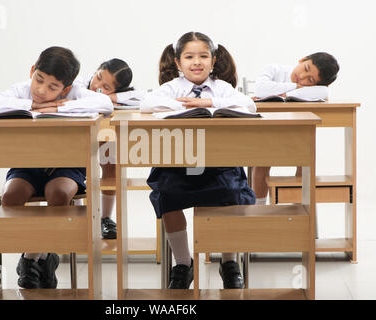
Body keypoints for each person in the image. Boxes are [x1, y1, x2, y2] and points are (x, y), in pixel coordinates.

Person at [0, 46, 113, 289]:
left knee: (58, 194)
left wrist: (57, 108)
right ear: (32, 71)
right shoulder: (21, 90)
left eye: (53, 87)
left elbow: (105, 104)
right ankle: (44, 256)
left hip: (66, 166)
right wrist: (32, 105)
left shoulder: (75, 94)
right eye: (39, 80)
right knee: (11, 197)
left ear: (67, 88)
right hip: (27, 164)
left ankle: (31, 259)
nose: (42, 90)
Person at [140, 31, 256, 289]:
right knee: (168, 194)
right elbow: (147, 103)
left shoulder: (222, 87)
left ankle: (229, 262)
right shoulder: (173, 87)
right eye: (189, 56)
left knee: (231, 192)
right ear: (178, 63)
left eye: (203, 56)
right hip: (178, 163)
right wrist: (183, 106)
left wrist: (208, 101)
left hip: (218, 162)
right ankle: (183, 264)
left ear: (213, 61)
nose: (197, 62)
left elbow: (248, 105)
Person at [252, 52, 339, 205]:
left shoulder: (320, 89)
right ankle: (259, 209)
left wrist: (281, 91)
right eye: (305, 68)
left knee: (305, 156)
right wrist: (295, 87)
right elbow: (260, 89)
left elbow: (324, 92)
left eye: (310, 80)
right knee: (262, 160)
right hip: (267, 129)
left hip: (296, 131)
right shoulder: (274, 69)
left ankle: (301, 209)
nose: (303, 77)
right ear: (302, 59)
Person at [76, 59, 145, 239]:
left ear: (116, 90)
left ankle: (105, 217)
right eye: (98, 77)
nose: (96, 85)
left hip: (101, 128)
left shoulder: (122, 95)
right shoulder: (78, 82)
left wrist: (112, 98)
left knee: (110, 161)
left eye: (106, 87)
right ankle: (74, 218)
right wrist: (104, 96)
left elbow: (143, 97)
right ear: (97, 68)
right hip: (74, 132)